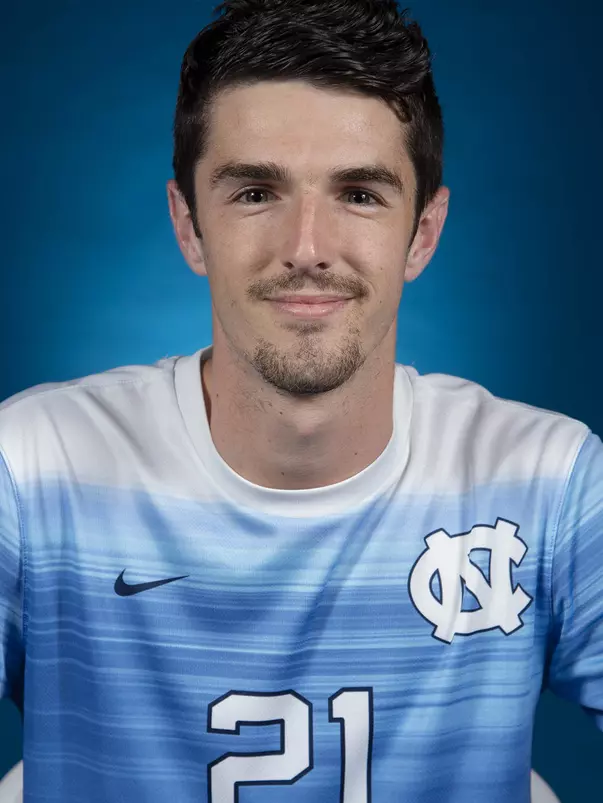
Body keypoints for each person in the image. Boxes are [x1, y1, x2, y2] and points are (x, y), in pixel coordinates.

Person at [0, 0, 601, 800]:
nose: (306, 249)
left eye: (358, 193)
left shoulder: (548, 481)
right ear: (188, 226)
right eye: (255, 192)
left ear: (422, 232)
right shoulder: (33, 469)